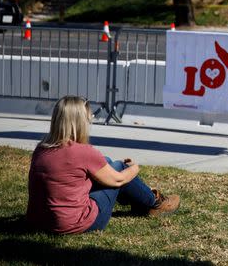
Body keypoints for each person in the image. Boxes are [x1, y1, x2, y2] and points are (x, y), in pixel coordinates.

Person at [27, 95, 180, 234]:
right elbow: (118, 179)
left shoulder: (41, 149)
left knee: (106, 161)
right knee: (120, 167)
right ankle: (154, 203)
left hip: (38, 221)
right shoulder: (83, 151)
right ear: (79, 123)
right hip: (73, 223)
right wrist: (134, 168)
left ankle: (138, 200)